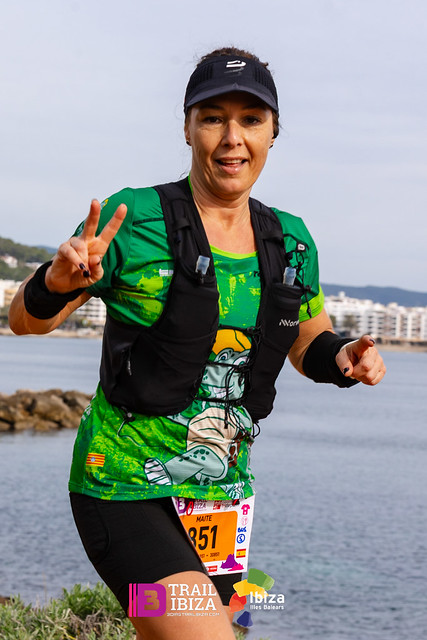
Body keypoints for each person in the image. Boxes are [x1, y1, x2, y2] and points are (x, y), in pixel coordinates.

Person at [9, 47, 386, 640]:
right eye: (213, 118)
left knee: (202, 632)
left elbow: (306, 338)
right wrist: (54, 284)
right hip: (123, 486)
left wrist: (341, 357)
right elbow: (24, 322)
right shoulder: (133, 218)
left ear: (272, 132)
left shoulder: (291, 240)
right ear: (187, 128)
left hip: (221, 499)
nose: (232, 138)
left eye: (251, 119)